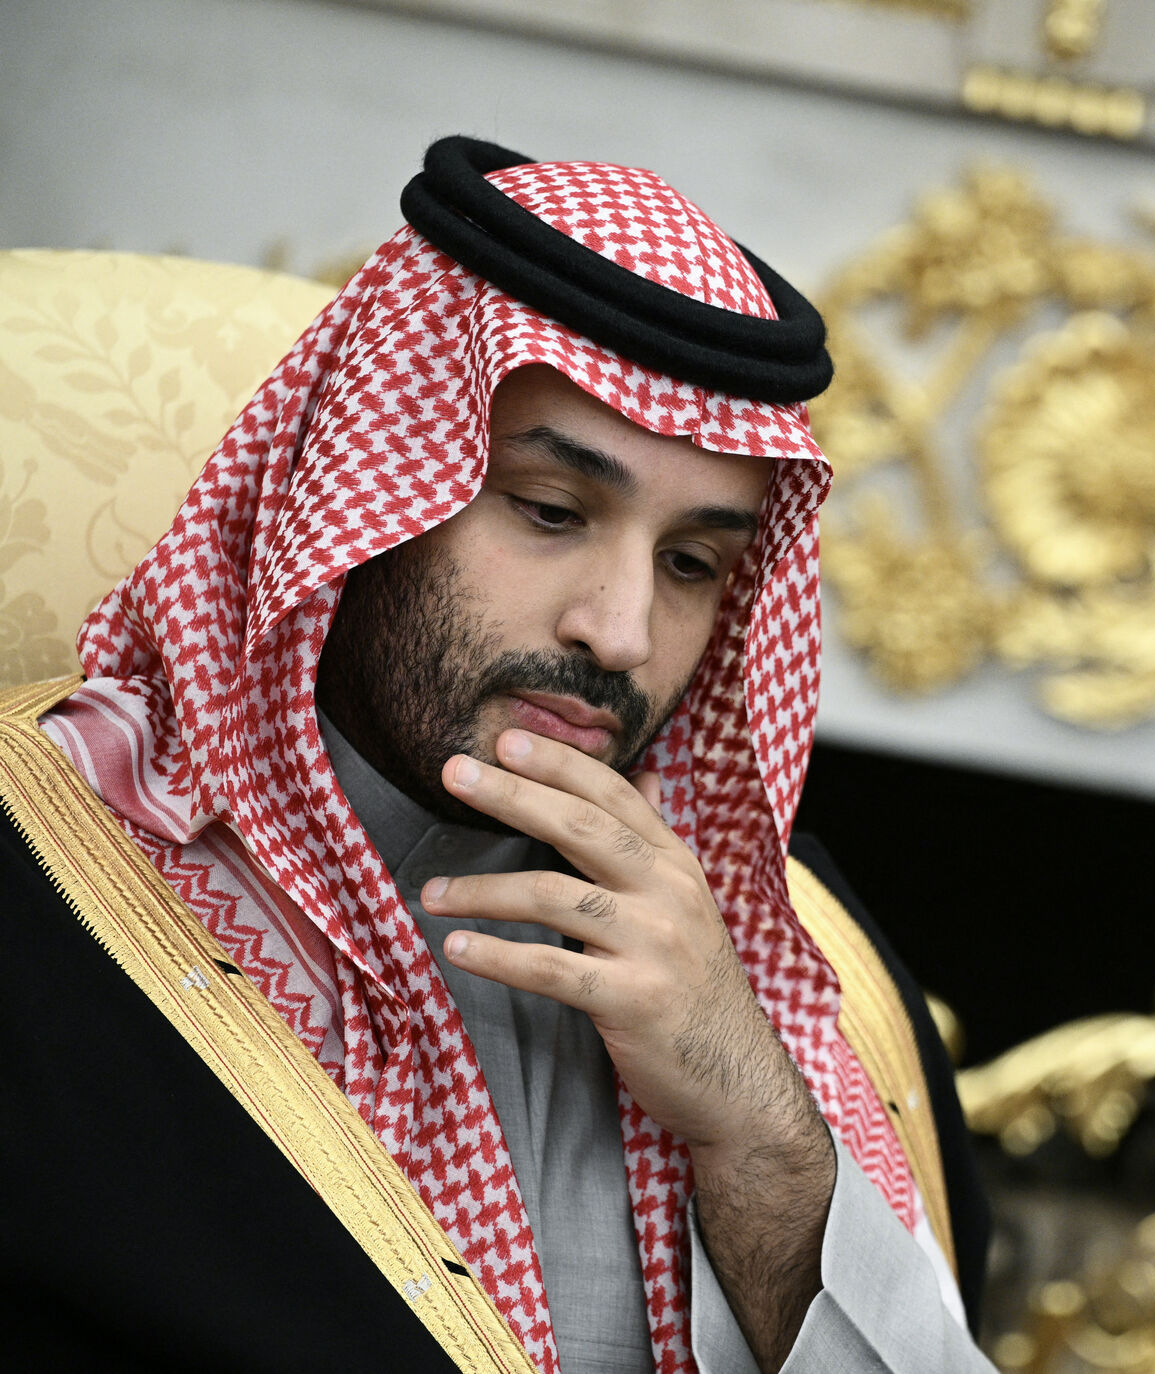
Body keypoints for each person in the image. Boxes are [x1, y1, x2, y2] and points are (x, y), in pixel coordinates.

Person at [0, 137, 991, 1372]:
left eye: (691, 563)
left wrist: (758, 1135)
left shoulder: (792, 950)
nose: (619, 632)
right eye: (549, 511)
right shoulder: (38, 894)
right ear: (359, 488)